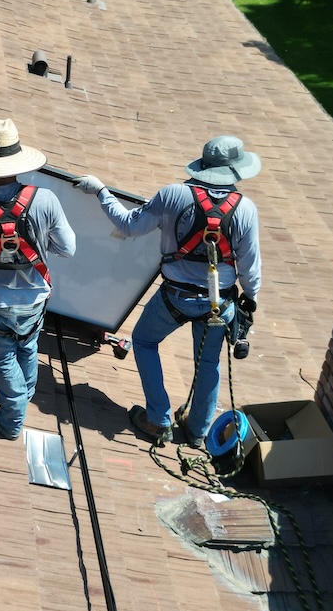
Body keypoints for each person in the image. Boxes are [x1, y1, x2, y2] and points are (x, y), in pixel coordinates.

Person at [75, 135, 261, 448]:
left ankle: (158, 418)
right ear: (235, 171)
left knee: (145, 341)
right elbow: (250, 267)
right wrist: (250, 299)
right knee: (209, 364)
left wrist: (101, 191)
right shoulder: (246, 210)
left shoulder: (174, 195)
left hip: (175, 297)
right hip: (219, 303)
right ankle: (198, 432)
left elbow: (130, 226)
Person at [0, 119, 76, 439]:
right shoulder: (46, 200)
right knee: (28, 346)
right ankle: (22, 399)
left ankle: (11, 420)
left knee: (3, 356)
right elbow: (68, 248)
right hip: (35, 297)